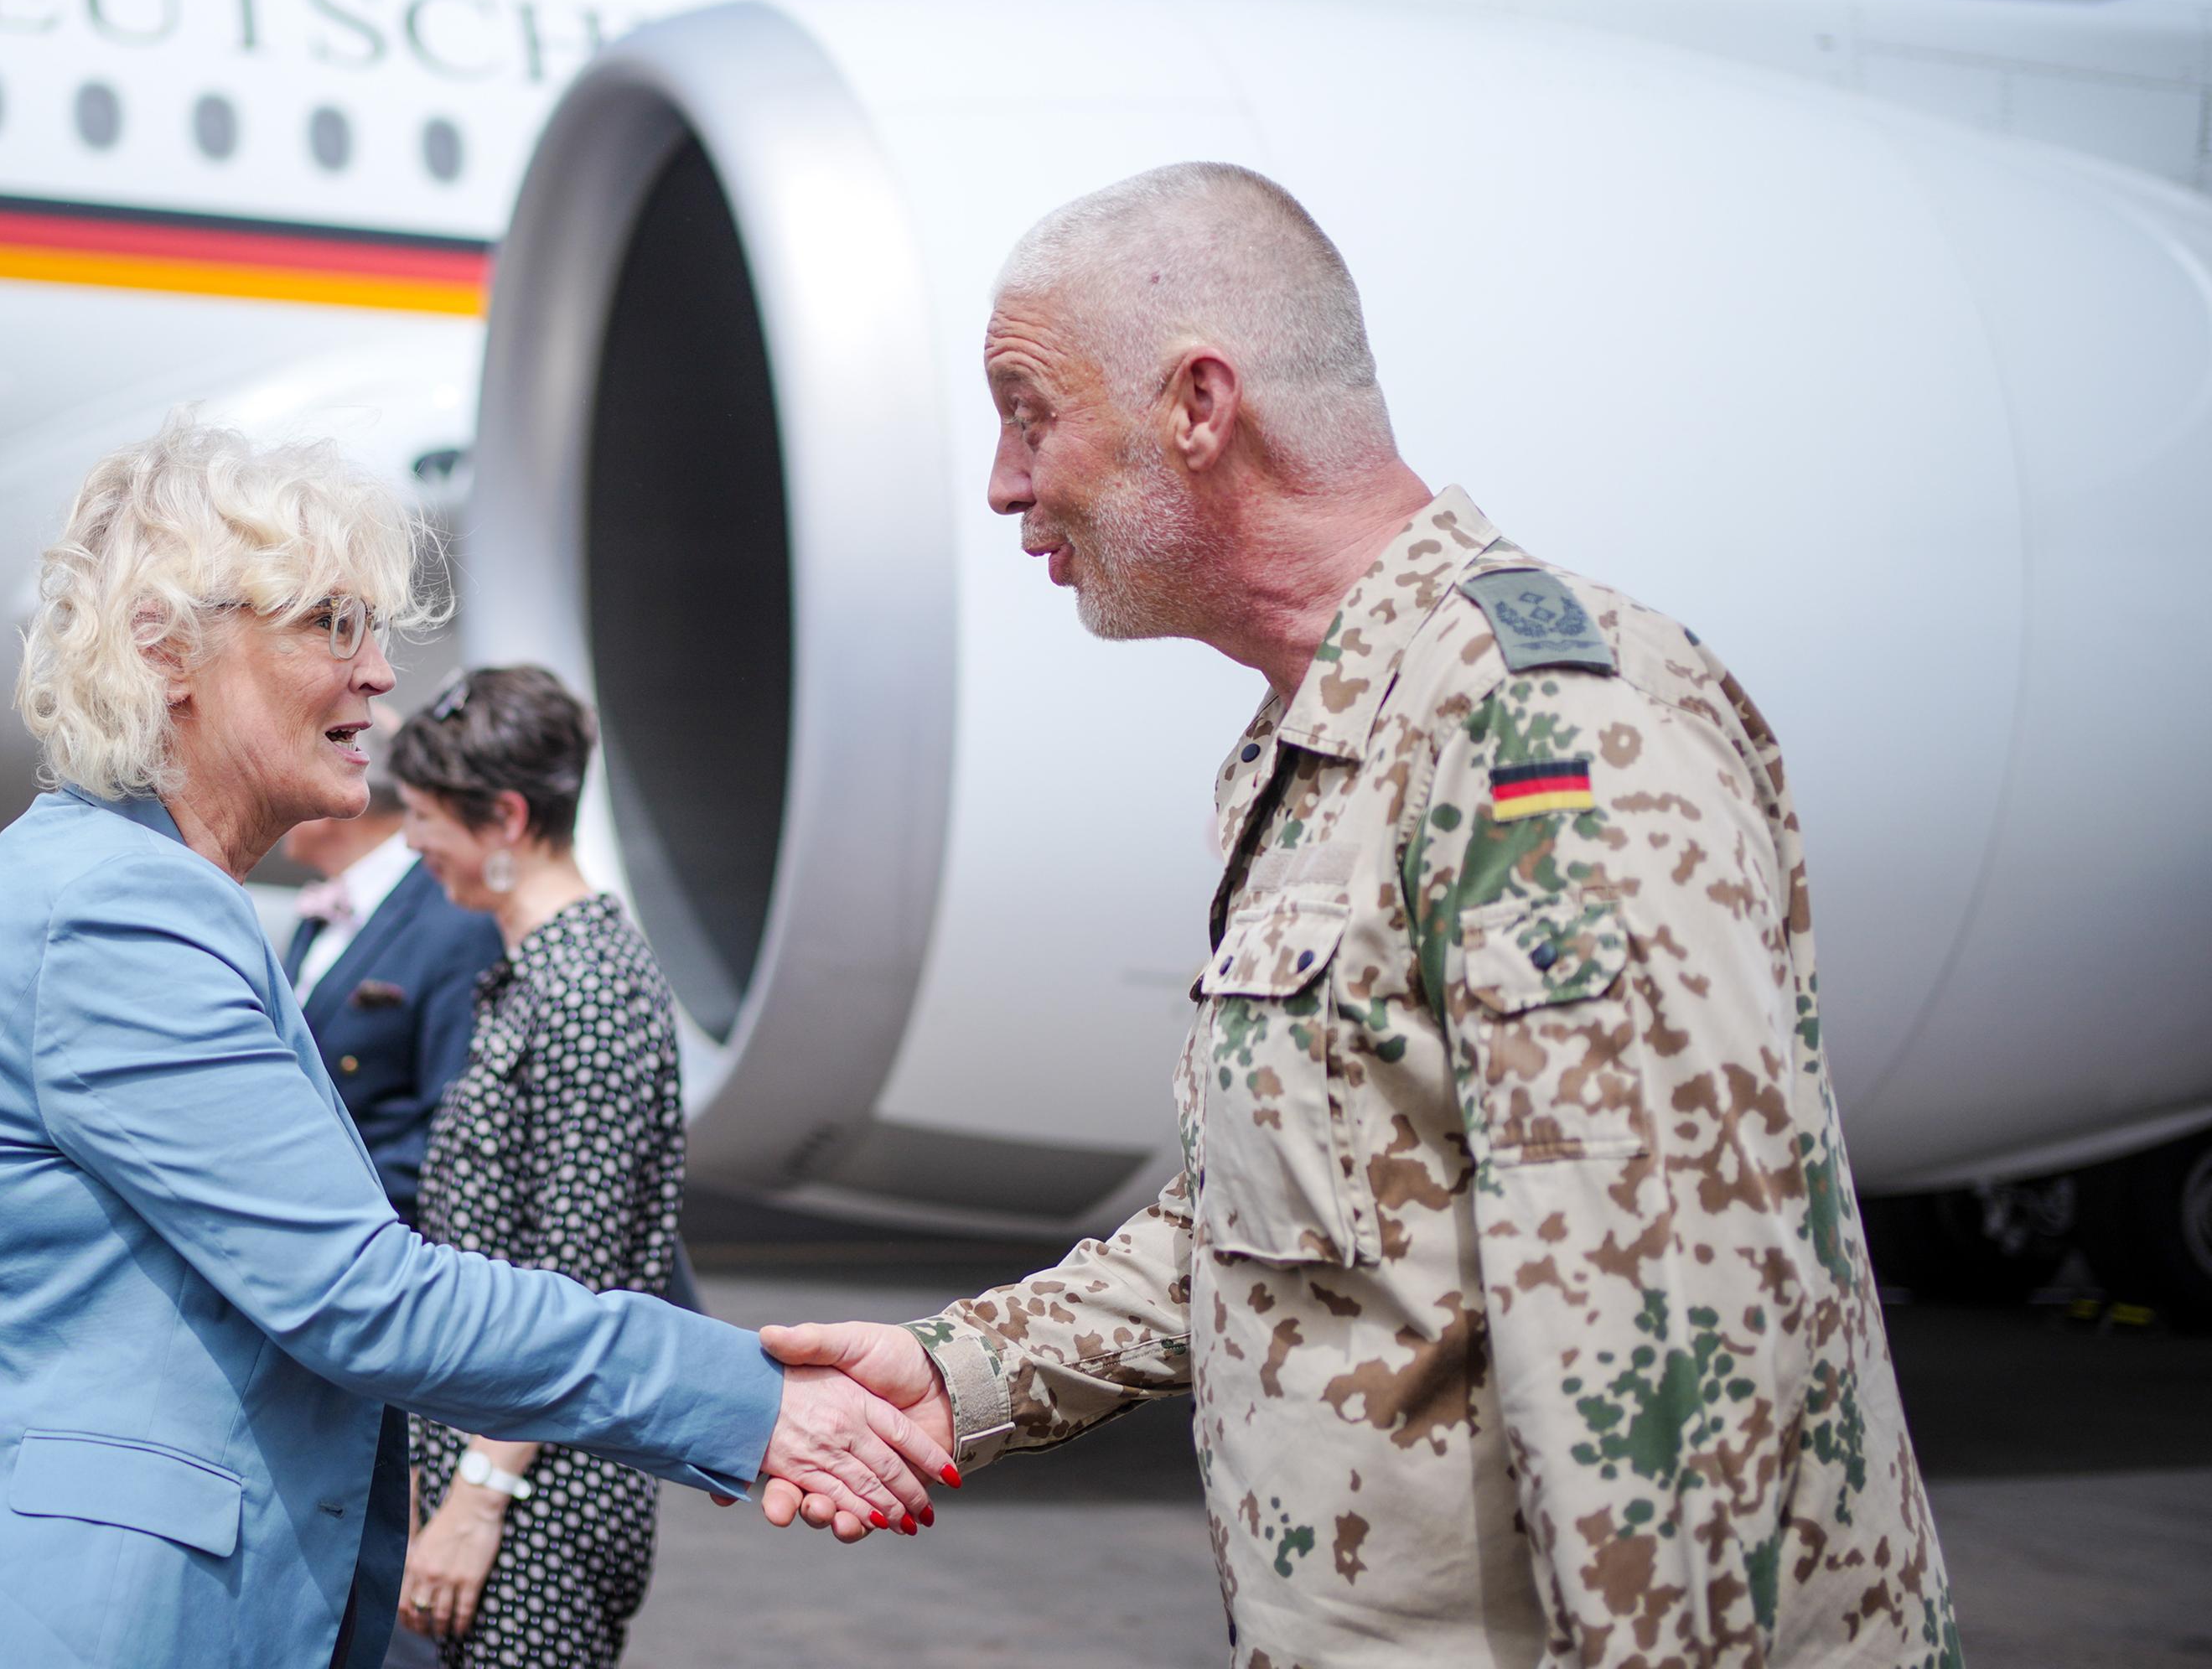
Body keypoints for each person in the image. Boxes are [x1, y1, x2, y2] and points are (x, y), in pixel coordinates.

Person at [758, 163, 1961, 1665]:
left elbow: (1674, 1333)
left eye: (1028, 411)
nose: (1006, 481)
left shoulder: (1541, 729)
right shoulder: (1321, 746)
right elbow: (1296, 1227)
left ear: (1201, 406)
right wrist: (962, 1375)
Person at [0, 415, 951, 1669]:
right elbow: (362, 1298)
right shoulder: (117, 909)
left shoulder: (124, 883)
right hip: (71, 1617)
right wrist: (745, 1398)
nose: (376, 679)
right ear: (166, 650)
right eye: (328, 625)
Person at [381, 666, 696, 1668]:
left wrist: (480, 1499)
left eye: (426, 818)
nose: (411, 842)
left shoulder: (588, 990)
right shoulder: (534, 972)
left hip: (542, 1500)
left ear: (506, 817)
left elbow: (575, 1289)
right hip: (494, 1466)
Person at [279, 705, 501, 1225]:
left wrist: (328, 1209)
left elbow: (451, 1122)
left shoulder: (454, 918)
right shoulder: (317, 915)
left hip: (384, 1230)